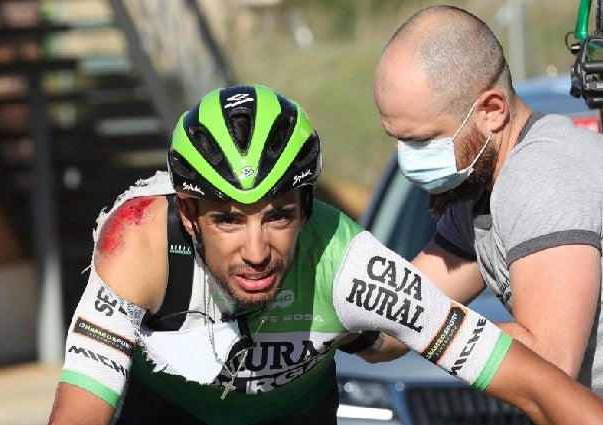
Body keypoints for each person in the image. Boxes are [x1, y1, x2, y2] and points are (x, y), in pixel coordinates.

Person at [47, 84, 603, 425]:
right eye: (228, 220)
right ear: (190, 215)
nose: (257, 251)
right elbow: (79, 411)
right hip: (167, 414)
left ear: (308, 207)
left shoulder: (348, 264)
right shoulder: (139, 241)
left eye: (280, 215)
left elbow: (539, 387)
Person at [373, 3, 603, 397]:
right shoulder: (477, 192)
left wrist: (431, 332)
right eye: (400, 140)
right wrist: (329, 327)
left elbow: (548, 362)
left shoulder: (542, 178)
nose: (410, 159)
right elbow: (404, 310)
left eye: (423, 140)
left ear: (492, 110)